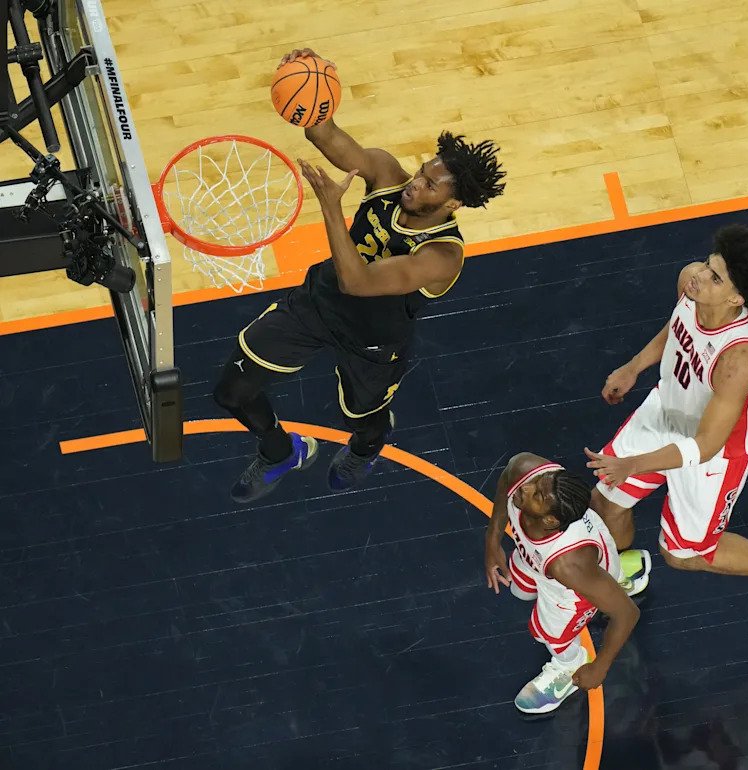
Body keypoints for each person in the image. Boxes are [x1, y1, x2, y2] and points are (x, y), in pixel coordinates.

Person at [213, 48, 506, 502]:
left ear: (453, 204)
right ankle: (279, 451)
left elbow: (359, 282)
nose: (415, 183)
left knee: (362, 420)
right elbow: (324, 133)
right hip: (321, 302)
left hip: (374, 340)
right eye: (422, 171)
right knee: (232, 392)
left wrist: (331, 207)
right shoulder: (387, 174)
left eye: (429, 185)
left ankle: (367, 448)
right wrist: (312, 86)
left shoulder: (442, 255)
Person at [583, 225, 748, 613]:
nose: (699, 275)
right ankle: (624, 572)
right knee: (606, 501)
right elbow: (678, 326)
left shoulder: (741, 357)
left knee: (684, 554)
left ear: (736, 298)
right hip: (666, 411)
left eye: (714, 277)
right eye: (708, 264)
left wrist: (633, 464)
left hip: (713, 453)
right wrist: (634, 366)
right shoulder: (690, 284)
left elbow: (706, 445)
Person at [484, 451, 651, 714]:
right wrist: (492, 541)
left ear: (550, 520)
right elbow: (507, 479)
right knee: (520, 589)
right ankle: (616, 578)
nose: (526, 486)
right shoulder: (528, 470)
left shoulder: (568, 566)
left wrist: (600, 667)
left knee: (550, 633)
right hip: (549, 560)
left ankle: (568, 663)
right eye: (536, 483)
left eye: (537, 495)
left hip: (573, 587)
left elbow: (627, 614)